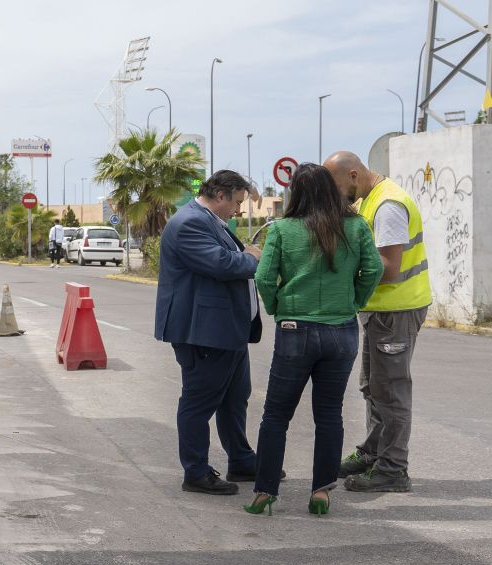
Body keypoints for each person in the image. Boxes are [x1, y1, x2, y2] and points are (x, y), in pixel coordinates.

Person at [244, 163, 383, 517]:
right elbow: (374, 269)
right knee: (330, 413)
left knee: (276, 414)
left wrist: (278, 308)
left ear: (296, 193)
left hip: (295, 329)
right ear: (331, 190)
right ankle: (321, 491)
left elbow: (263, 278)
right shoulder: (355, 226)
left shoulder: (282, 229)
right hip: (341, 330)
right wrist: (354, 302)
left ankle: (264, 492)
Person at [324, 151, 431, 493]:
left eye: (336, 186)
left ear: (353, 175)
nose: (336, 194)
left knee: (392, 391)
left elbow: (389, 268)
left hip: (396, 310)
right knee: (374, 388)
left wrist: (342, 273)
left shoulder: (388, 206)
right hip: (381, 310)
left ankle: (393, 469)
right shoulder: (368, 200)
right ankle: (373, 453)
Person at [154, 170, 263, 495]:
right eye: (237, 202)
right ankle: (196, 472)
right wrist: (251, 257)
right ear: (220, 195)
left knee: (235, 398)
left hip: (227, 329)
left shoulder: (210, 220)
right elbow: (222, 264)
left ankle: (241, 460)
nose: (238, 211)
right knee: (199, 402)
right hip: (204, 332)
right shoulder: (189, 222)